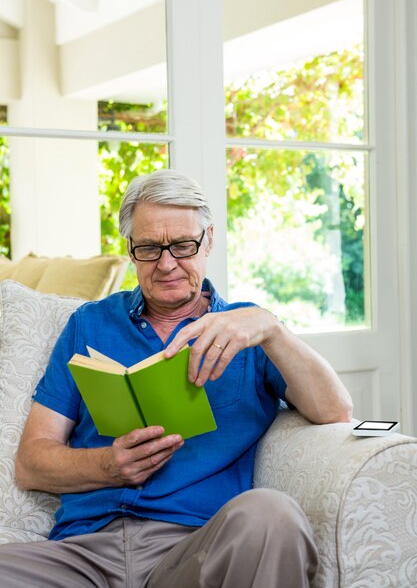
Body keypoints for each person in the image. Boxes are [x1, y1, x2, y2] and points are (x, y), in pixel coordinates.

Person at [0, 169, 352, 588]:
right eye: (149, 248)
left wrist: (272, 329)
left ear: (209, 240)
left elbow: (336, 410)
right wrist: (109, 466)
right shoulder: (89, 324)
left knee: (272, 514)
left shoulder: (247, 330)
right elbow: (31, 463)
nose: (167, 264)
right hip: (82, 554)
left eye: (182, 246)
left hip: (193, 552)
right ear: (131, 251)